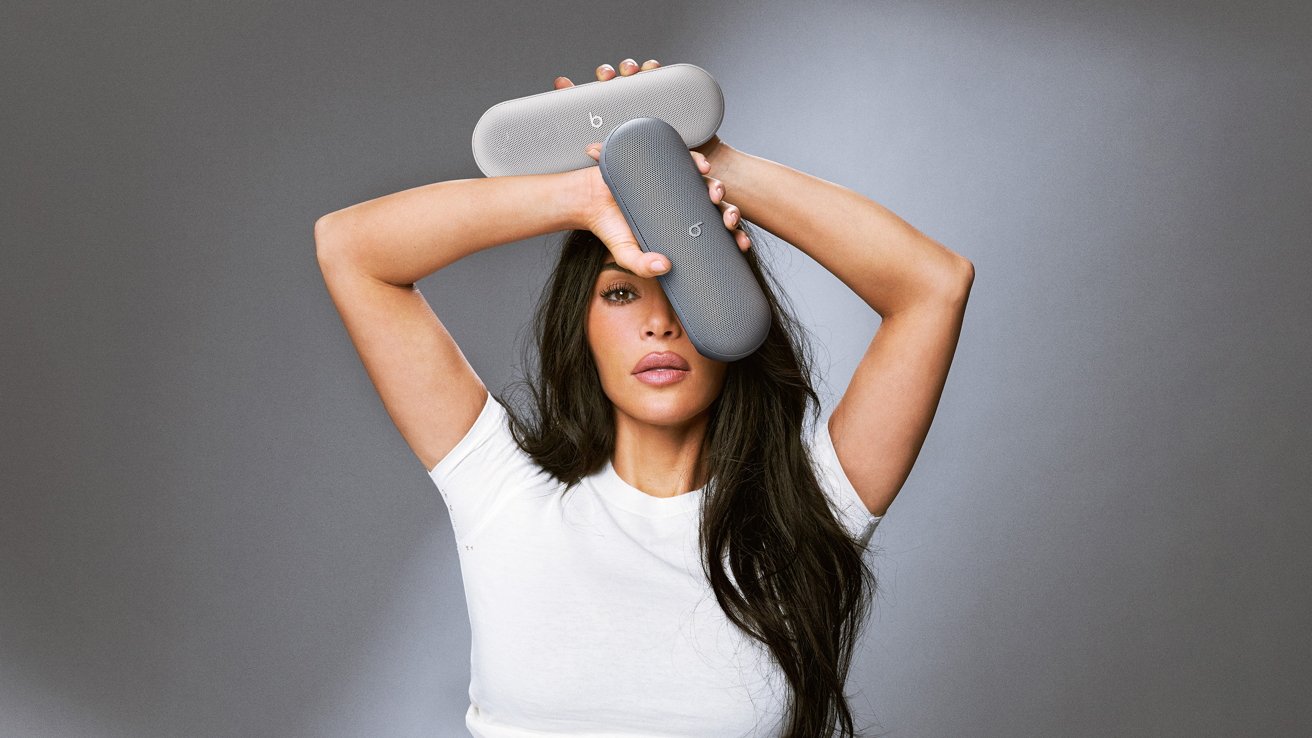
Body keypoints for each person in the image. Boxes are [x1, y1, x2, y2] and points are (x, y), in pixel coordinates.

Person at [314, 58, 973, 738]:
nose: (659, 323)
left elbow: (934, 285)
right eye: (622, 292)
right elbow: (350, 248)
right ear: (584, 328)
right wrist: (581, 193)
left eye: (688, 287)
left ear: (733, 312)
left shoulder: (809, 507)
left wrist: (700, 160)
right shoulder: (501, 488)